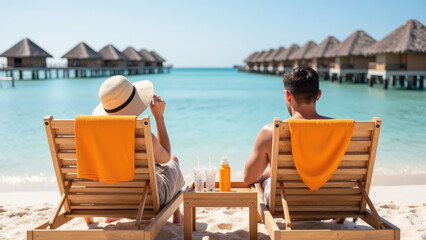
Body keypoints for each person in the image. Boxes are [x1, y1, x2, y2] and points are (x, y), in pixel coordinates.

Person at [92, 75, 185, 223]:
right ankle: (177, 215)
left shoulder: (93, 134)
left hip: (110, 200)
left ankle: (116, 213)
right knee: (174, 160)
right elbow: (166, 157)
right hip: (147, 201)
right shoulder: (141, 133)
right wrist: (159, 118)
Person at [243, 66, 331, 207]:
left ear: (288, 95)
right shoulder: (345, 129)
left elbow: (249, 178)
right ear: (319, 95)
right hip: (332, 201)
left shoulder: (269, 131)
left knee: (260, 181)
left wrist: (270, 172)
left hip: (284, 202)